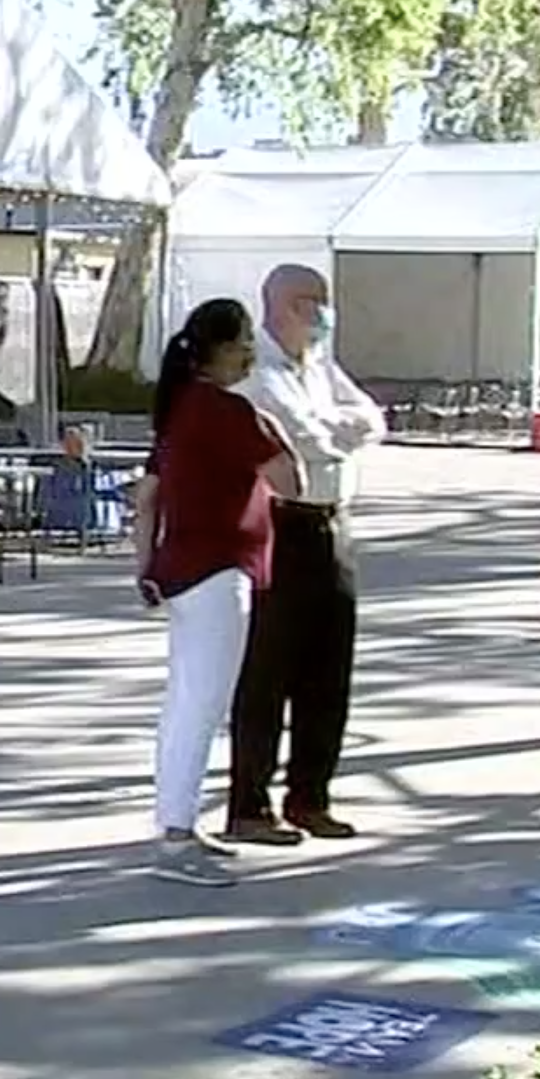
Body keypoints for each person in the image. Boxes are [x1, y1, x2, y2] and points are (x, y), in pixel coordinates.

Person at [132, 297, 295, 887]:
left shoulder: (178, 409)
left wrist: (145, 563)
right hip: (219, 569)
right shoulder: (227, 411)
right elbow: (289, 478)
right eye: (245, 339)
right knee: (202, 704)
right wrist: (276, 424)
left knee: (184, 702)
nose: (252, 350)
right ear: (220, 350)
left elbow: (146, 497)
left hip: (183, 569)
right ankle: (175, 839)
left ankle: (176, 820)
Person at [224, 263, 388, 844]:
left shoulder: (319, 366)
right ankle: (249, 804)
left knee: (328, 673)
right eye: (313, 302)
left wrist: (338, 427)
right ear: (284, 305)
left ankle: (310, 796)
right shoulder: (257, 372)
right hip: (280, 528)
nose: (322, 314)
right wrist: (334, 432)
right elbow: (307, 443)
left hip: (333, 525)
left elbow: (372, 419)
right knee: (268, 671)